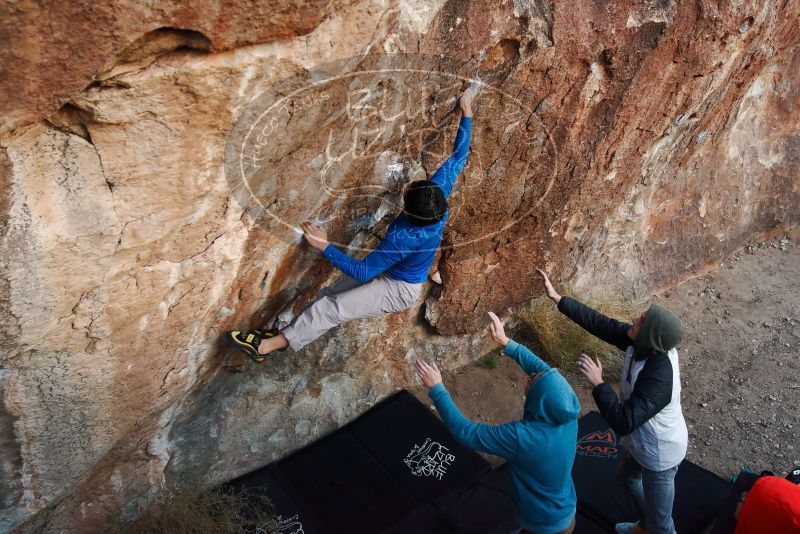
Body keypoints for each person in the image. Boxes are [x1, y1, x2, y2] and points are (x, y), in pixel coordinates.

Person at [227, 87, 476, 362]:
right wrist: (467, 112)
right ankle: (283, 336)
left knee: (331, 308)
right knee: (328, 295)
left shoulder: (405, 236)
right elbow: (457, 157)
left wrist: (325, 246)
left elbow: (361, 271)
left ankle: (264, 348)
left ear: (410, 211)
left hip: (398, 288)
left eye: (407, 192)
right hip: (395, 270)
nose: (405, 189)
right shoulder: (436, 198)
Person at [536, 269, 688, 534]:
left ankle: (655, 528)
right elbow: (600, 323)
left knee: (664, 524)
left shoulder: (660, 378)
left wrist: (599, 384)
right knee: (627, 479)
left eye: (641, 320)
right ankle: (646, 526)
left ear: (651, 334)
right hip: (643, 442)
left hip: (661, 453)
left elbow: (624, 421)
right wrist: (558, 298)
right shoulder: (643, 344)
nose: (633, 318)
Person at [414, 311, 580, 534]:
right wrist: (506, 342)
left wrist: (437, 389)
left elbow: (466, 433)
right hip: (565, 511)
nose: (530, 377)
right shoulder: (567, 415)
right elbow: (543, 372)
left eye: (533, 381)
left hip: (541, 523)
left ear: (539, 400)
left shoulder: (523, 438)